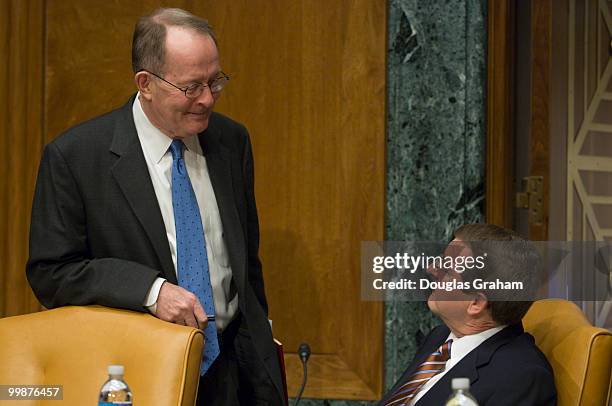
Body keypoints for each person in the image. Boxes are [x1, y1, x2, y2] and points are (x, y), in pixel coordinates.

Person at [26, 8, 283, 405]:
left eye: (215, 81)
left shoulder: (231, 141)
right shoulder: (76, 157)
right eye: (192, 86)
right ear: (145, 83)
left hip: (234, 373)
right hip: (137, 375)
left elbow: (246, 263)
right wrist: (150, 290)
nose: (208, 99)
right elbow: (51, 272)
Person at [379, 224, 557, 405]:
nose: (432, 269)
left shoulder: (521, 378)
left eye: (447, 270)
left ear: (476, 303)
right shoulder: (440, 337)